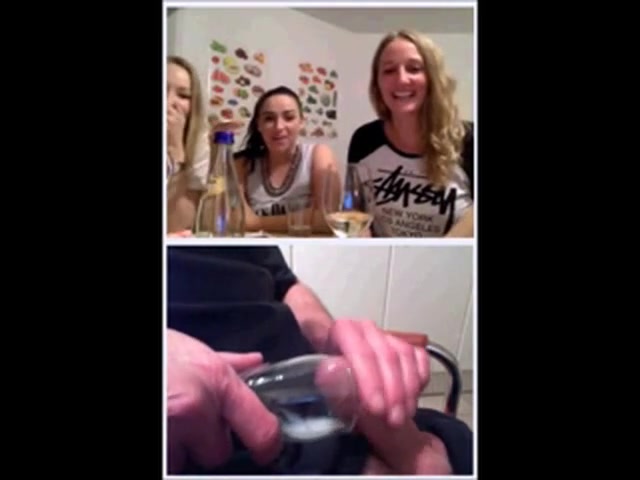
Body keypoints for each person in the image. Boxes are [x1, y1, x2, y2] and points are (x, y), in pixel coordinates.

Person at [167, 246, 473, 475]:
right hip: (223, 444)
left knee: (459, 444)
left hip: (316, 409)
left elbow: (287, 285)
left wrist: (328, 335)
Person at [347, 30, 474, 238]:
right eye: (389, 70)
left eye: (414, 69)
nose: (402, 79)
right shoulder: (364, 138)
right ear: (377, 83)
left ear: (433, 78)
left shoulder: (470, 140)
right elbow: (353, 208)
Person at [233, 86, 341, 234]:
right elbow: (236, 219)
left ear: (301, 122)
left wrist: (257, 222)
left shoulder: (319, 154)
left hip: (308, 247)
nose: (279, 127)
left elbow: (327, 219)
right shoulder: (242, 163)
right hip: (259, 248)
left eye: (289, 117)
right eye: (269, 119)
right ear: (259, 125)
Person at [166, 55, 210, 234]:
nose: (169, 102)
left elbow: (179, 225)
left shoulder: (198, 142)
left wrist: (176, 149)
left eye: (183, 96)